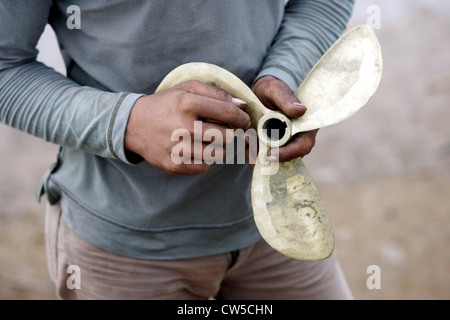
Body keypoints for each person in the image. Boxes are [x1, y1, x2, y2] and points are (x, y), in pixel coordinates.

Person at [0, 0, 354, 299]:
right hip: (125, 250)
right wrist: (128, 123)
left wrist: (287, 75)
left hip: (282, 220)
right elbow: (6, 67)